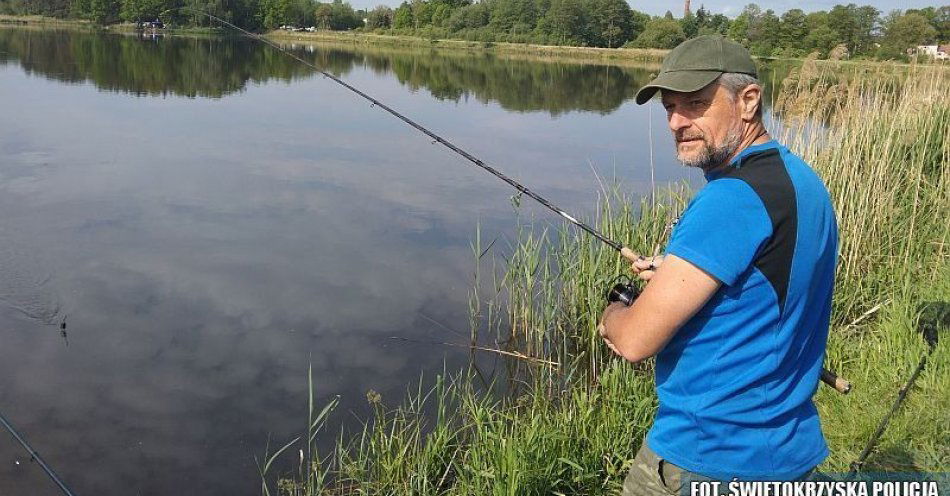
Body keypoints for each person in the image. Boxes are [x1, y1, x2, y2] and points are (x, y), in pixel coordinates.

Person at [597, 35, 838, 495]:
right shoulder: (802, 181)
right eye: (669, 107)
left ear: (748, 101)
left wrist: (614, 310)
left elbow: (633, 341)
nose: (675, 122)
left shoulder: (729, 200)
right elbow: (767, 287)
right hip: (786, 451)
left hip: (707, 458)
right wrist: (675, 275)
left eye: (695, 103)